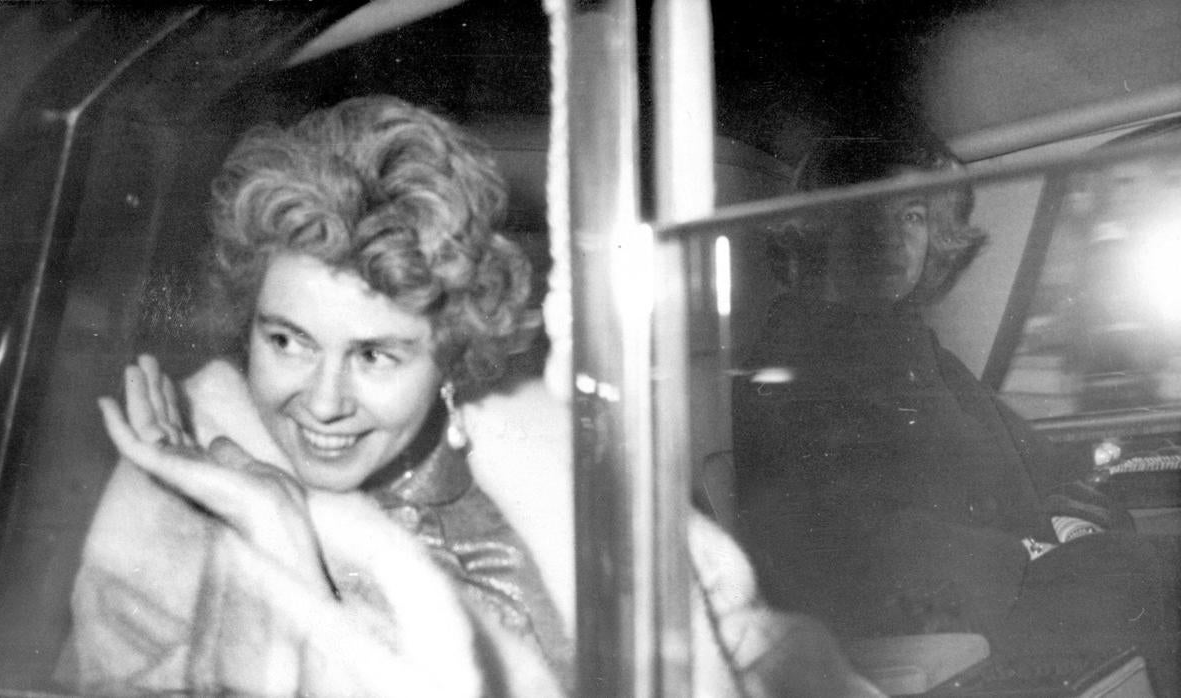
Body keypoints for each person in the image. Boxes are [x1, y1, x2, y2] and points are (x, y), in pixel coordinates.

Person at [60, 95, 884, 696]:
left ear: (454, 349)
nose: (322, 401)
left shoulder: (561, 458)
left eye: (375, 355)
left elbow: (746, 649)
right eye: (287, 341)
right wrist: (286, 549)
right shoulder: (183, 501)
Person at [732, 137, 1181, 695]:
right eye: (870, 216)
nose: (894, 239)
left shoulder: (913, 345)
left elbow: (1027, 452)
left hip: (995, 582)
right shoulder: (791, 360)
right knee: (1138, 573)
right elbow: (840, 536)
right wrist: (1023, 553)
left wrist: (1074, 511)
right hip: (922, 614)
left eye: (913, 216)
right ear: (822, 230)